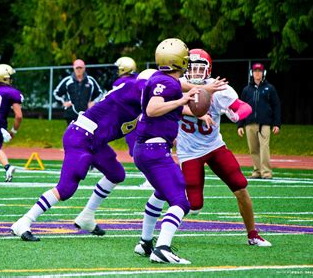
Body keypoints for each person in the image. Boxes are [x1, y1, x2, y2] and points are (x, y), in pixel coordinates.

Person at [10, 68, 158, 242]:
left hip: (95, 140)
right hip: (80, 136)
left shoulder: (139, 97)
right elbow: (153, 93)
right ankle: (24, 221)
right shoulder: (134, 89)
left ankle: (87, 216)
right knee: (66, 189)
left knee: (116, 174)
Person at [177, 49, 272, 247]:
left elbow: (243, 106)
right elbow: (172, 105)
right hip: (189, 151)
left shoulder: (219, 87)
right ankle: (163, 220)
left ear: (208, 69)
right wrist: (198, 113)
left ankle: (253, 234)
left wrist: (238, 115)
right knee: (194, 206)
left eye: (199, 68)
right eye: (191, 67)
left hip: (214, 145)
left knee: (241, 186)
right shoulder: (176, 86)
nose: (194, 72)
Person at [132, 38, 196, 265]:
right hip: (155, 149)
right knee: (180, 200)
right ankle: (162, 248)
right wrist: (182, 102)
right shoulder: (169, 84)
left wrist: (200, 91)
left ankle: (145, 243)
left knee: (160, 192)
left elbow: (178, 89)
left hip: (144, 147)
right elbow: (153, 108)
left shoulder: (158, 77)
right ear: (179, 60)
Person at [237, 63, 281, 179]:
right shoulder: (246, 90)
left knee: (264, 148)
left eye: (259, 71)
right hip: (249, 123)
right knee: (253, 149)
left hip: (264, 124)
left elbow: (276, 106)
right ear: (252, 73)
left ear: (263, 73)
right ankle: (257, 171)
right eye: (255, 71)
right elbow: (241, 107)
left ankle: (266, 172)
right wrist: (240, 125)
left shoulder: (269, 88)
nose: (257, 73)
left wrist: (277, 124)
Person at [53, 59, 103, 125]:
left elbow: (100, 93)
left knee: (85, 134)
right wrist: (63, 102)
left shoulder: (90, 80)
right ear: (74, 68)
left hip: (87, 114)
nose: (78, 70)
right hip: (71, 114)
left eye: (80, 68)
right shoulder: (68, 81)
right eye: (77, 68)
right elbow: (56, 93)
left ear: (84, 68)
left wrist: (93, 102)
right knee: (72, 134)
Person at [113, 56, 139, 157]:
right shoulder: (139, 78)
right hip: (143, 114)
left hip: (129, 117)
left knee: (133, 142)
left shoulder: (119, 83)